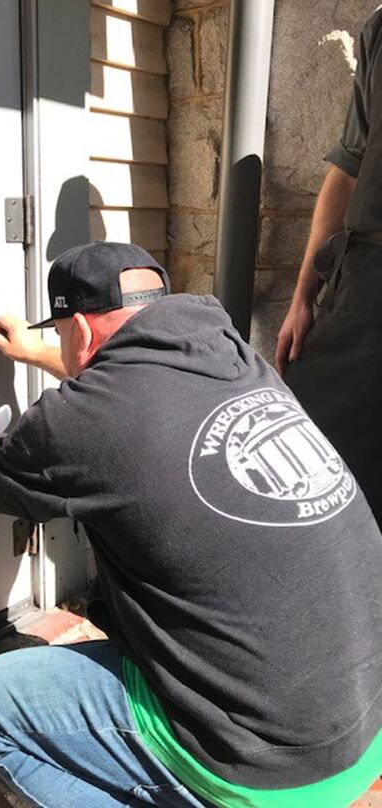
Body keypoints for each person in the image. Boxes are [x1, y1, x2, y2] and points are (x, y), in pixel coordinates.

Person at [0, 241, 382, 808]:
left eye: (59, 335)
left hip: (259, 770)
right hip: (360, 734)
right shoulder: (238, 361)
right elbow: (133, 381)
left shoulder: (79, 421)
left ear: (78, 327)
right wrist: (38, 353)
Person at [276, 7, 382, 527]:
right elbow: (348, 167)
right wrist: (302, 299)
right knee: (311, 468)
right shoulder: (381, 29)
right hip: (364, 285)